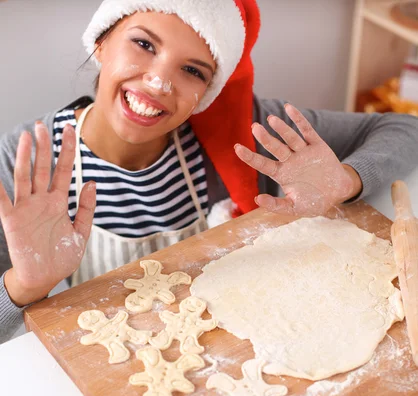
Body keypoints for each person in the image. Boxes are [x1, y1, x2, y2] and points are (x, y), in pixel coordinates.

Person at [1, 0, 417, 345]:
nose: (160, 81)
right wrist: (23, 286)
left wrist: (348, 179)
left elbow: (405, 128)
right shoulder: (26, 163)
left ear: (208, 92)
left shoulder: (243, 134)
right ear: (103, 40)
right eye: (144, 43)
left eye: (193, 70)